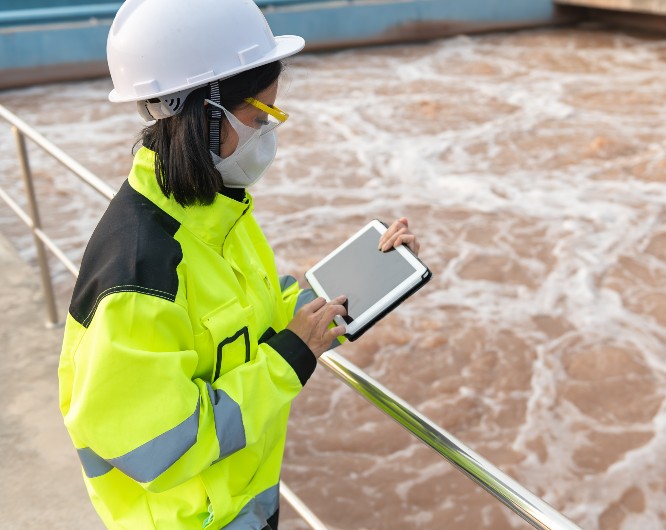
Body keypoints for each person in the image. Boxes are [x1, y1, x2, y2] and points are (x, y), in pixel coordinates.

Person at [57, 0, 420, 528]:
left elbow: (259, 314)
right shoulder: (139, 275)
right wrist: (290, 358)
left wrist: (364, 274)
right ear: (204, 116)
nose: (268, 135)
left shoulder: (216, 212)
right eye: (259, 118)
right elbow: (157, 449)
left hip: (244, 503)